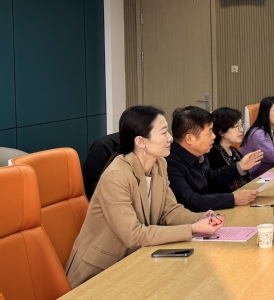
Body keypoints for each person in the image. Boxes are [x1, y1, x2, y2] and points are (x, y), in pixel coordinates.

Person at [66, 106, 223, 287]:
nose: (170, 138)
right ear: (141, 141)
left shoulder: (159, 164)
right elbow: (134, 235)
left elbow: (169, 211)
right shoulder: (116, 176)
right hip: (100, 272)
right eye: (163, 133)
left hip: (135, 263)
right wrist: (192, 228)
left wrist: (201, 218)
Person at [166, 106, 260, 211]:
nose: (214, 136)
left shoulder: (200, 154)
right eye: (210, 132)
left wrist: (240, 166)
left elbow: (211, 179)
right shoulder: (170, 164)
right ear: (190, 138)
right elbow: (190, 201)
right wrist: (233, 199)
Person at [208, 107, 263, 191]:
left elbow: (247, 179)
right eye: (236, 126)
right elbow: (216, 183)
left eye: (241, 125)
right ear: (221, 131)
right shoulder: (212, 154)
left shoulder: (234, 151)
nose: (241, 130)